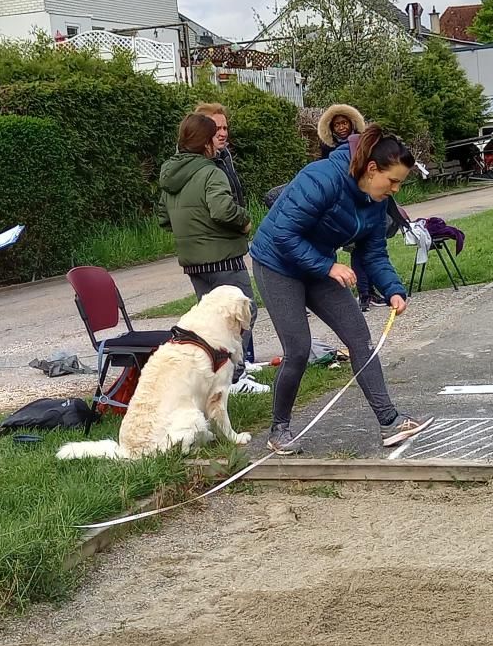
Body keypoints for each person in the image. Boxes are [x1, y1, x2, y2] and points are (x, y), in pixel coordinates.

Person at [249, 126, 430, 454]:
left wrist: (392, 289)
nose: (396, 189)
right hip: (277, 264)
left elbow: (373, 253)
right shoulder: (321, 178)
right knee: (299, 348)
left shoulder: (376, 201)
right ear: (372, 169)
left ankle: (390, 421)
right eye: (393, 181)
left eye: (400, 183)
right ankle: (279, 430)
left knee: (360, 338)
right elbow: (283, 235)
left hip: (318, 265)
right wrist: (328, 267)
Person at [159, 113, 267, 393]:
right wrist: (244, 219)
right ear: (205, 142)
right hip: (223, 258)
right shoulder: (210, 171)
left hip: (194, 262)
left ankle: (211, 373)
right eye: (213, 135)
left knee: (210, 322)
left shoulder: (170, 174)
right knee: (244, 313)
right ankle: (234, 377)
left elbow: (163, 217)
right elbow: (222, 210)